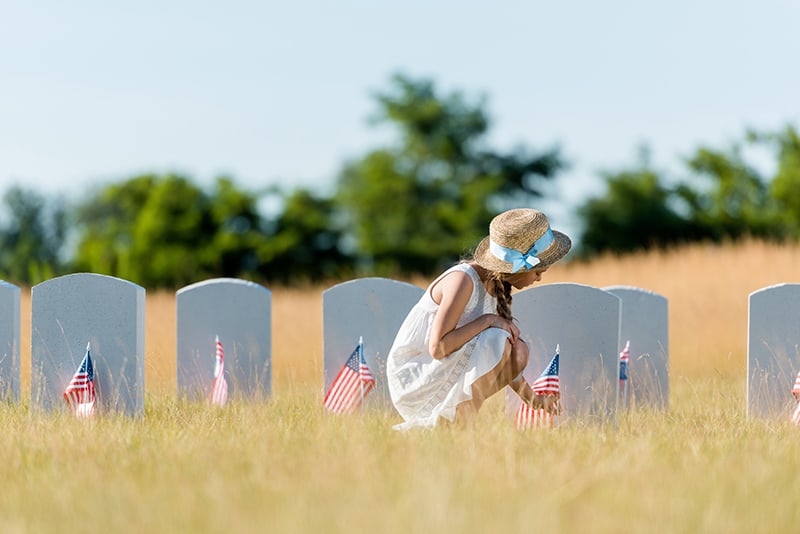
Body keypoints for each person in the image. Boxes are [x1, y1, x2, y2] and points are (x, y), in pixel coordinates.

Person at [386, 208, 571, 429]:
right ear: (518, 266)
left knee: (518, 350)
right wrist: (488, 321)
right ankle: (458, 423)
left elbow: (501, 358)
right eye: (538, 272)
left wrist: (534, 399)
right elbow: (438, 348)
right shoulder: (463, 281)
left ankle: (458, 420)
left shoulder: (498, 286)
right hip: (416, 373)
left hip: (443, 366)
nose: (539, 279)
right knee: (499, 338)